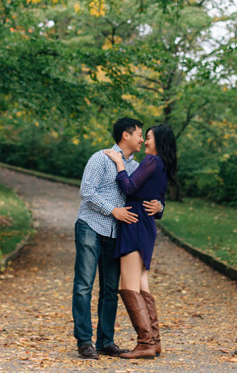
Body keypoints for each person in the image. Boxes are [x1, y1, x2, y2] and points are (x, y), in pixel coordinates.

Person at [72, 117, 164, 360]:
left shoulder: (135, 167)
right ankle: (84, 341)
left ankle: (105, 341)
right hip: (91, 226)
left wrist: (160, 206)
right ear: (126, 135)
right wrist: (112, 210)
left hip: (116, 233)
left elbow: (143, 192)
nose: (142, 139)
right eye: (139, 134)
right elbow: (86, 191)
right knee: (84, 285)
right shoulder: (100, 158)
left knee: (110, 290)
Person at [104, 124, 178, 359]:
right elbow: (160, 201)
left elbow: (128, 187)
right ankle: (154, 342)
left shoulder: (152, 161)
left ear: (159, 141)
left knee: (128, 286)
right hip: (146, 225)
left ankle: (145, 342)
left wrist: (119, 163)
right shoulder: (163, 165)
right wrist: (160, 208)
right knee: (142, 286)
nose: (145, 142)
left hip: (135, 223)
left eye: (148, 138)